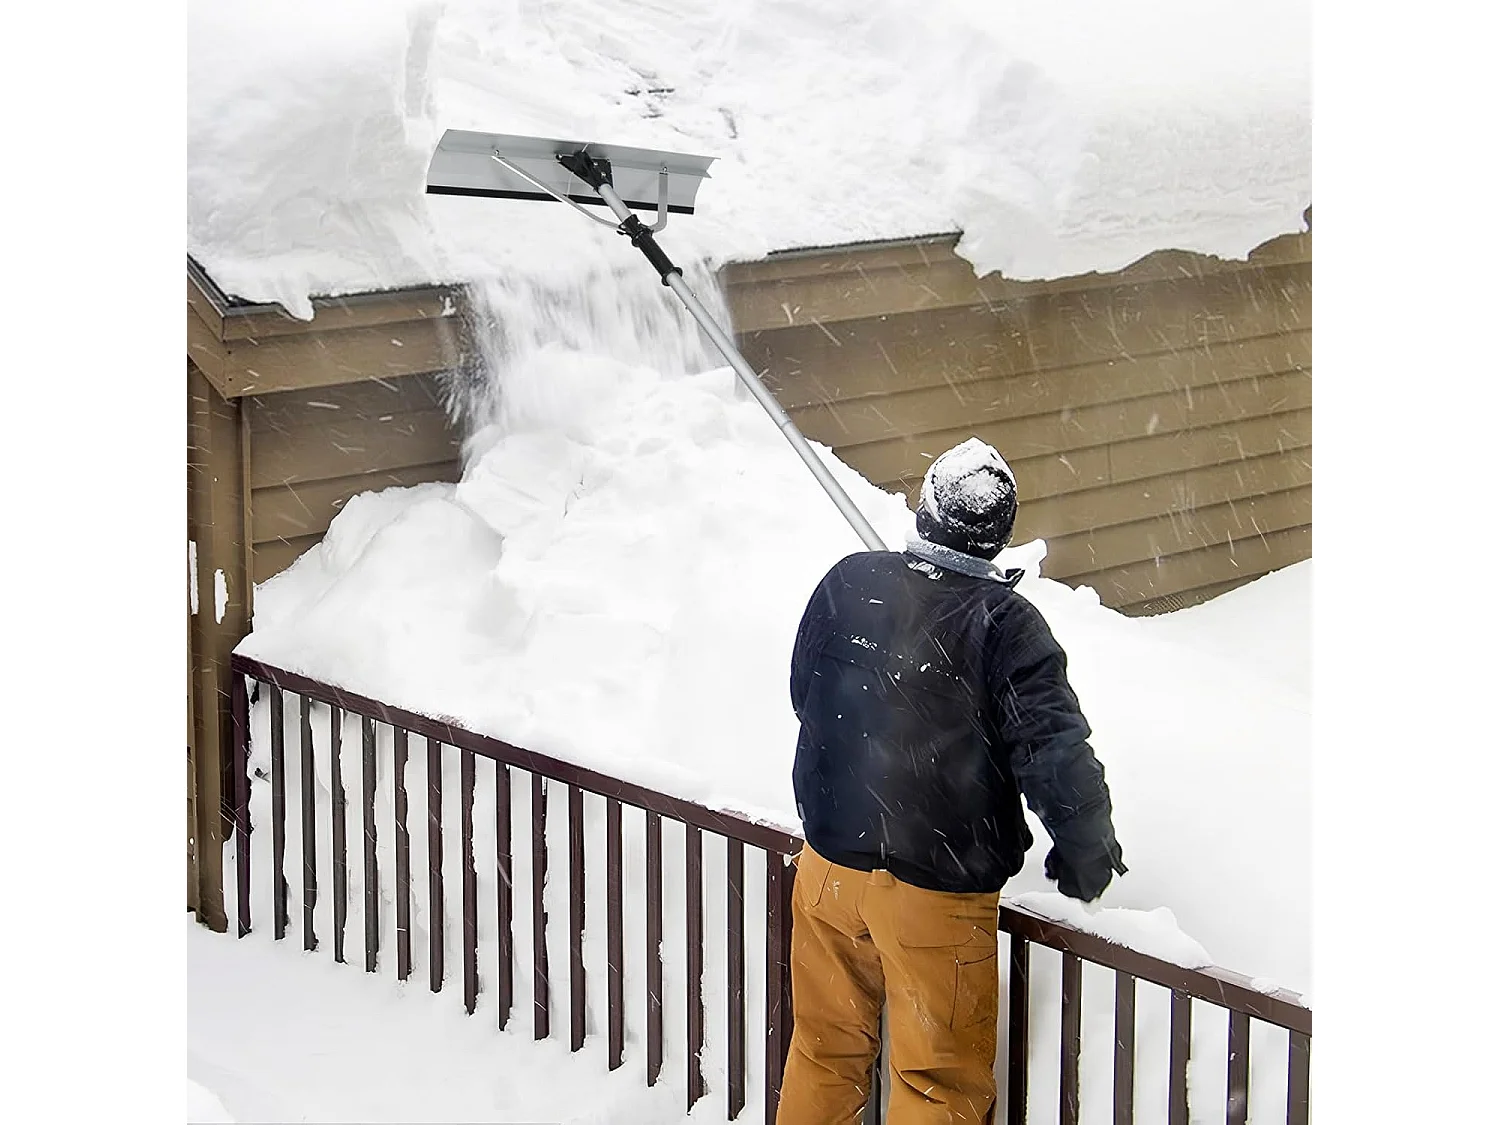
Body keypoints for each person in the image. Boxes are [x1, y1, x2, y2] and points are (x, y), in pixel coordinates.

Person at [777, 437, 1126, 1125]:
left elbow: (803, 692)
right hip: (935, 899)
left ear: (926, 508)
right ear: (998, 535)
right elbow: (1054, 751)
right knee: (936, 1082)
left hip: (828, 875)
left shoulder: (848, 582)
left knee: (824, 1051)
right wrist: (1086, 851)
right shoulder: (1007, 625)